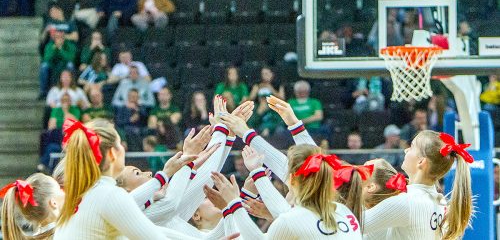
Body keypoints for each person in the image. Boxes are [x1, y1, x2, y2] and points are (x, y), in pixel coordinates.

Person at [53, 118, 202, 239]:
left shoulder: (79, 194)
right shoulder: (109, 195)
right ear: (112, 153)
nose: (124, 147)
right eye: (120, 143)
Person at [212, 144, 362, 238]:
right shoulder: (344, 211)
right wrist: (257, 172)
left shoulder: (290, 220)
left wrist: (233, 202)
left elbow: (290, 220)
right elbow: (291, 216)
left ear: (292, 180)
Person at [364, 130, 473, 240]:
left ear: (421, 162)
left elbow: (351, 224)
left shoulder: (407, 202)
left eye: (411, 147)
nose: (406, 150)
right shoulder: (440, 202)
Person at [0, 173, 65, 239]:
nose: (64, 192)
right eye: (60, 189)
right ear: (54, 203)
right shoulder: (64, 234)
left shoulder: (39, 235)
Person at [39, 31, 78, 99]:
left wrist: (60, 49)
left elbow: (70, 58)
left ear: (64, 38)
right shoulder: (49, 45)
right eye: (57, 37)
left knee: (70, 65)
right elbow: (47, 58)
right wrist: (54, 49)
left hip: (64, 65)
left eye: (61, 37)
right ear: (54, 38)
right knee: (44, 66)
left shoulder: (70, 45)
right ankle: (43, 92)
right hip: (52, 65)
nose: (59, 39)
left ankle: (72, 87)